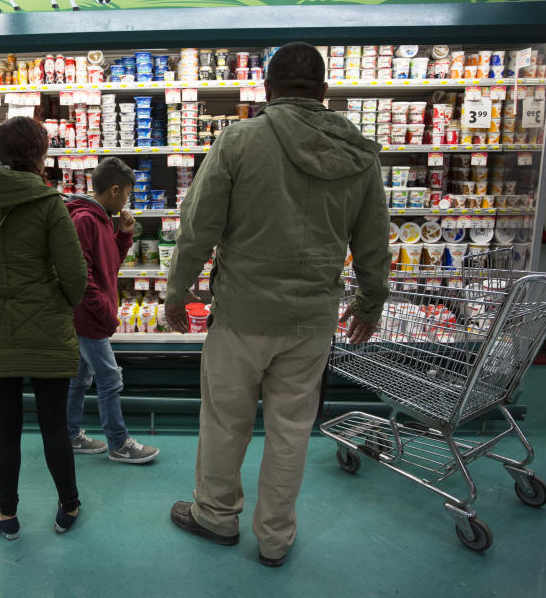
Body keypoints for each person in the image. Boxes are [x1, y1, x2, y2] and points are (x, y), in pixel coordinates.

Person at [164, 42, 390, 566]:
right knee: (290, 432)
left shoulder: (240, 140)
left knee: (225, 422)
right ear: (324, 92)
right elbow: (374, 239)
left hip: (243, 314)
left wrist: (179, 291)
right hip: (311, 319)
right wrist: (370, 301)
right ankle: (275, 539)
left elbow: (199, 228)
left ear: (266, 89)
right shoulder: (359, 152)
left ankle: (216, 518)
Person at [0, 116, 88, 540]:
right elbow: (75, 276)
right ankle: (69, 506)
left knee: (4, 426)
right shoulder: (47, 201)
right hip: (47, 330)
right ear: (39, 154)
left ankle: (7, 513)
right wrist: (55, 302)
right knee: (54, 423)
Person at [65, 157, 159, 464]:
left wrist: (123, 235)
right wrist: (106, 312)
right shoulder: (85, 221)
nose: (129, 200)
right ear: (115, 190)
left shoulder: (102, 218)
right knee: (109, 379)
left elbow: (108, 265)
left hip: (89, 316)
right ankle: (119, 443)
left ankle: (69, 435)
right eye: (128, 194)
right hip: (89, 318)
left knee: (80, 379)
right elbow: (83, 279)